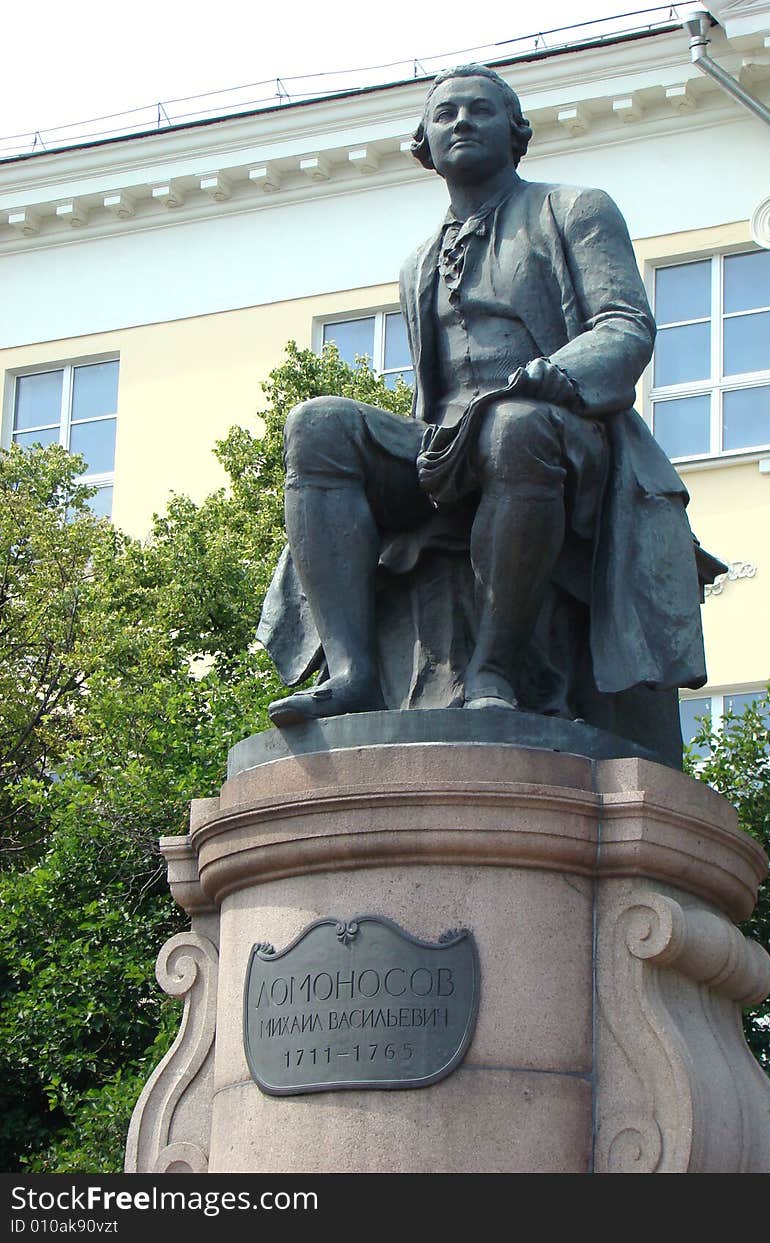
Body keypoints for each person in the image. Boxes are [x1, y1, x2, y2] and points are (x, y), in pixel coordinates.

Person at [257, 64, 718, 759]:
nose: (462, 122)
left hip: (563, 430)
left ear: (516, 131)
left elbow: (625, 326)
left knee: (515, 427)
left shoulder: (575, 209)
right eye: (445, 115)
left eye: (480, 110)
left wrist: (555, 376)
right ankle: (351, 673)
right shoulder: (419, 262)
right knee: (316, 424)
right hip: (444, 442)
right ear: (425, 145)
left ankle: (494, 668)